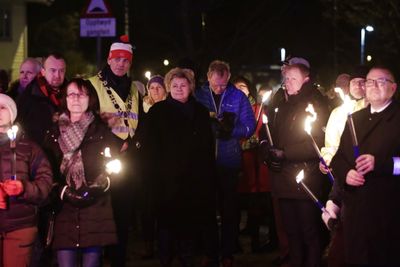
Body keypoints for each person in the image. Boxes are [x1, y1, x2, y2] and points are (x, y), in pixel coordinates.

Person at [142, 67, 217, 267]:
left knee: (189, 225)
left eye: (183, 85)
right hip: (166, 180)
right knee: (166, 225)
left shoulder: (200, 112)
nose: (178, 89)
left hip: (194, 180)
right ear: (168, 88)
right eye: (174, 85)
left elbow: (208, 146)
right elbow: (150, 147)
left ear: (190, 87)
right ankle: (166, 259)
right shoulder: (158, 112)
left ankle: (187, 258)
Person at [44, 78, 119, 267]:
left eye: (82, 94)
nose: (76, 98)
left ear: (90, 98)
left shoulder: (102, 131)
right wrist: (62, 191)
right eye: (72, 94)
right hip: (63, 208)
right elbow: (45, 172)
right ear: (65, 98)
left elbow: (114, 165)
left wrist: (104, 182)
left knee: (92, 263)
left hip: (95, 206)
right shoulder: (53, 133)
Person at [330, 66, 400, 266]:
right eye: (369, 81)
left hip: (388, 209)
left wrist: (381, 164)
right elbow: (338, 158)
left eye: (381, 81)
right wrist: (346, 173)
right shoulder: (356, 119)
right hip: (356, 208)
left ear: (393, 88)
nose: (374, 85)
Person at [262, 62, 329, 267]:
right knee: (291, 230)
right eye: (286, 78)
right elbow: (269, 132)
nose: (287, 83)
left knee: (308, 229)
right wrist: (268, 152)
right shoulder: (281, 103)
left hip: (305, 177)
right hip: (282, 177)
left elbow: (316, 144)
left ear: (305, 80)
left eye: (293, 78)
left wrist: (286, 153)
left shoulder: (314, 104)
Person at [88, 35, 142, 267]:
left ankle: (119, 257)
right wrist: (111, 141)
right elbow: (89, 120)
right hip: (103, 156)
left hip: (128, 157)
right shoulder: (92, 84)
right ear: (109, 60)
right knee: (102, 210)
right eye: (117, 59)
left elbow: (140, 120)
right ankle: (100, 256)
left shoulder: (134, 88)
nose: (121, 64)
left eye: (126, 60)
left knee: (123, 211)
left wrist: (134, 140)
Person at [195, 60, 256, 267]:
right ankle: (210, 253)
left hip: (229, 160)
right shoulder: (199, 95)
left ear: (228, 77)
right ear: (209, 77)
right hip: (204, 161)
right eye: (216, 84)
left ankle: (228, 253)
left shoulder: (238, 96)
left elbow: (249, 126)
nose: (219, 88)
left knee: (229, 210)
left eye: (223, 84)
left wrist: (232, 130)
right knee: (207, 209)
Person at [319, 66, 368, 267]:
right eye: (354, 81)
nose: (358, 85)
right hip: (342, 176)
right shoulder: (338, 113)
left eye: (362, 81)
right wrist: (327, 159)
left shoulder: (371, 112)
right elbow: (331, 144)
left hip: (365, 178)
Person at [0, 93, 53, 267]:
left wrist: (23, 188)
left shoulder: (29, 147)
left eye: (2, 107)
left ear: (12, 112)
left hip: (20, 226)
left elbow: (45, 183)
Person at [232, 76, 276, 253]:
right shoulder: (230, 111)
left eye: (243, 87)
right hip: (240, 165)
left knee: (259, 204)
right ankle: (236, 241)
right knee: (238, 205)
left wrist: (260, 140)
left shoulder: (258, 110)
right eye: (236, 88)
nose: (240, 90)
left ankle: (259, 242)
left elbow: (265, 132)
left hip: (258, 165)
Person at [16, 53, 67, 145]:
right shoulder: (28, 97)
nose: (57, 75)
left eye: (61, 71)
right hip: (38, 152)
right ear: (43, 72)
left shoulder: (71, 94)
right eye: (53, 70)